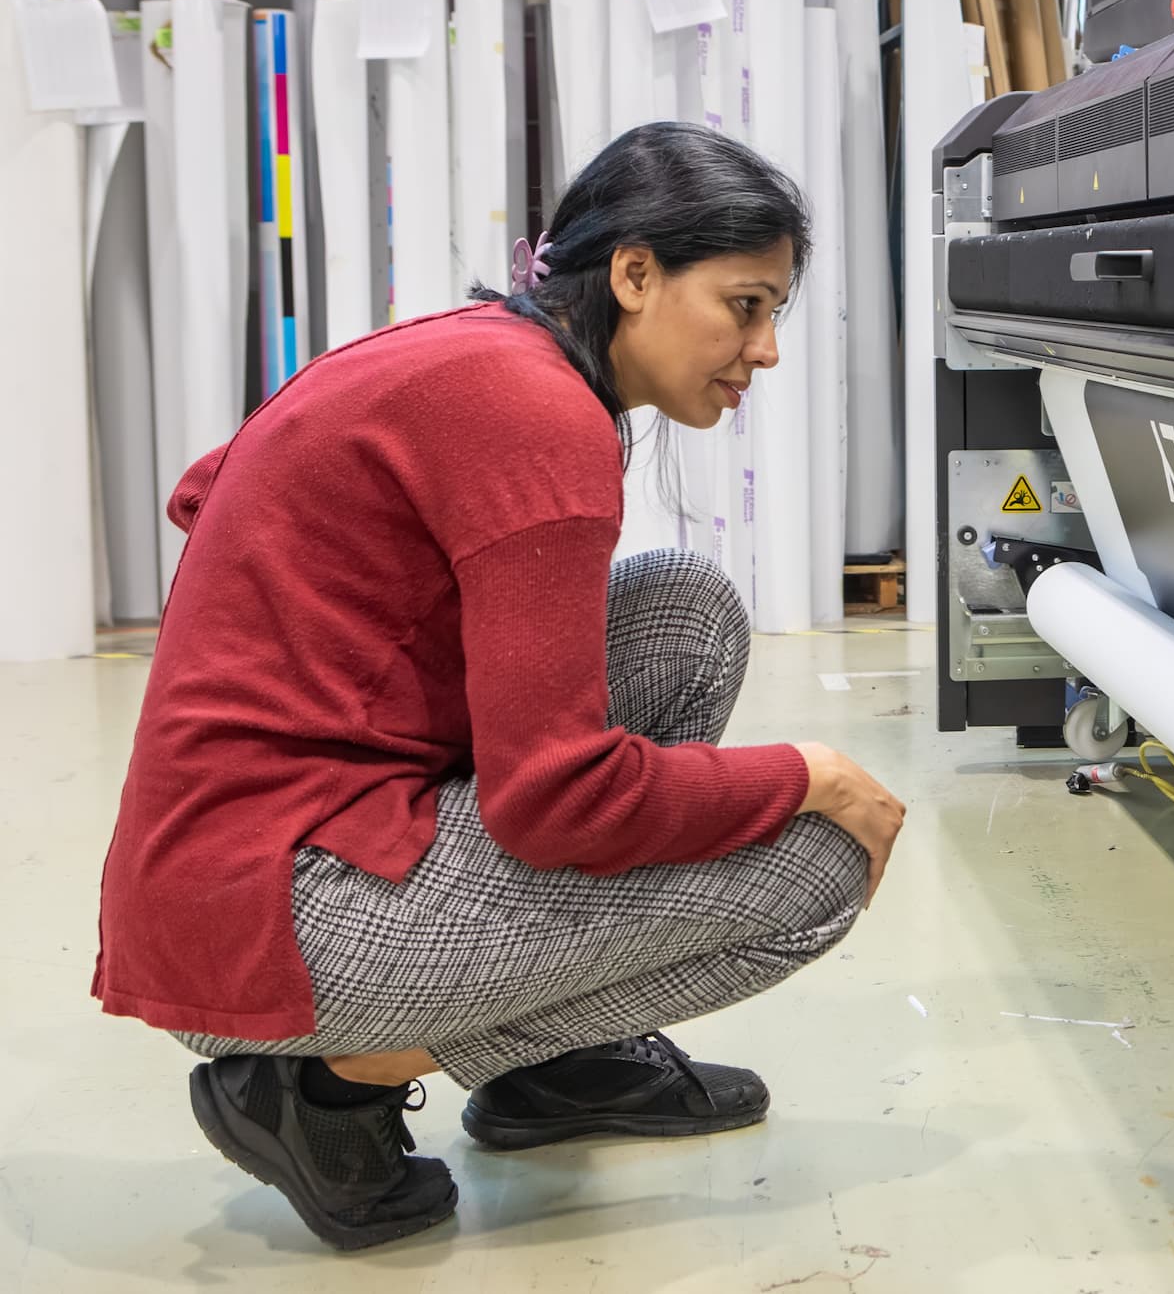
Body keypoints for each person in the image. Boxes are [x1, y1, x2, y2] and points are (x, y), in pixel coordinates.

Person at [92, 122, 908, 1251]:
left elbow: (206, 489)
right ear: (633, 275)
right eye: (747, 303)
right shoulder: (535, 415)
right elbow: (556, 799)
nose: (764, 349)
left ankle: (554, 1073)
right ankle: (322, 1087)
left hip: (243, 850)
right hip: (273, 912)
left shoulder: (483, 352)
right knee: (821, 867)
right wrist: (803, 774)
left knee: (684, 613)